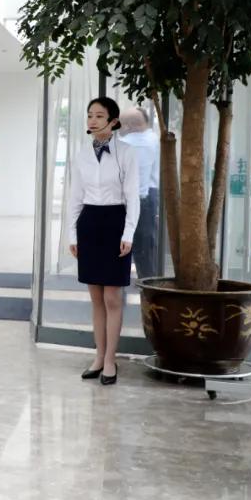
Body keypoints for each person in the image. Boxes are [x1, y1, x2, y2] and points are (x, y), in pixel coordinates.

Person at [67, 96, 139, 386]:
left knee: (112, 297)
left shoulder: (127, 152)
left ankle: (111, 360)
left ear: (113, 121)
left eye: (99, 115)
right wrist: (72, 234)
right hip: (89, 223)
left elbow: (133, 196)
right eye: (89, 115)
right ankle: (98, 357)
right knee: (96, 297)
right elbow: (75, 197)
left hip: (115, 222)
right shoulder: (81, 154)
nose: (92, 120)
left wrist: (128, 233)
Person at [120, 107, 160, 279]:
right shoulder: (153, 139)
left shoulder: (132, 142)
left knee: (136, 245)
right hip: (147, 197)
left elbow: (138, 180)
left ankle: (141, 285)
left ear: (129, 125)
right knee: (144, 247)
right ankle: (148, 284)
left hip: (139, 198)